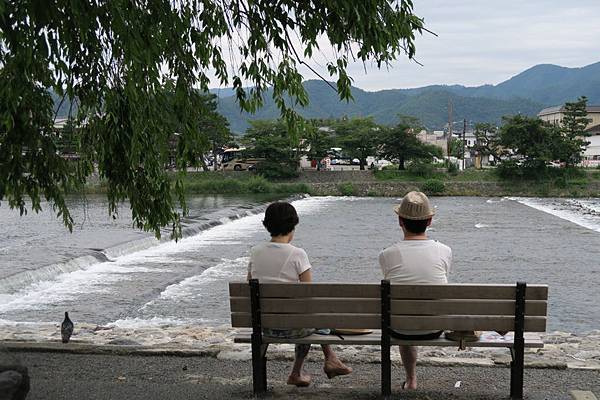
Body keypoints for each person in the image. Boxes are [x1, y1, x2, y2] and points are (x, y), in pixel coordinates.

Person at [247, 201, 352, 387]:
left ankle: (324, 362)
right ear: (293, 225)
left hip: (263, 326)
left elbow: (249, 286)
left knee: (305, 318)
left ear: (267, 225)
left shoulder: (255, 253)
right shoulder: (298, 254)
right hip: (293, 328)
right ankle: (321, 362)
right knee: (312, 317)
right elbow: (309, 297)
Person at [378, 191, 451, 390]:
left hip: (399, 327)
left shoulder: (386, 254)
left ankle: (411, 380)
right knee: (413, 310)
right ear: (429, 221)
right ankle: (411, 380)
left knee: (404, 313)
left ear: (400, 221)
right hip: (435, 327)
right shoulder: (444, 251)